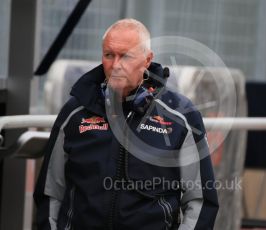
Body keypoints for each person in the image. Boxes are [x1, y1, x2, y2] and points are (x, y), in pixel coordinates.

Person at [34, 18, 219, 230]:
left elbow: (200, 200)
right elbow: (50, 192)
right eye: (109, 55)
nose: (116, 65)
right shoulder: (75, 112)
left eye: (126, 56)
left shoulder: (180, 118)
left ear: (147, 60)